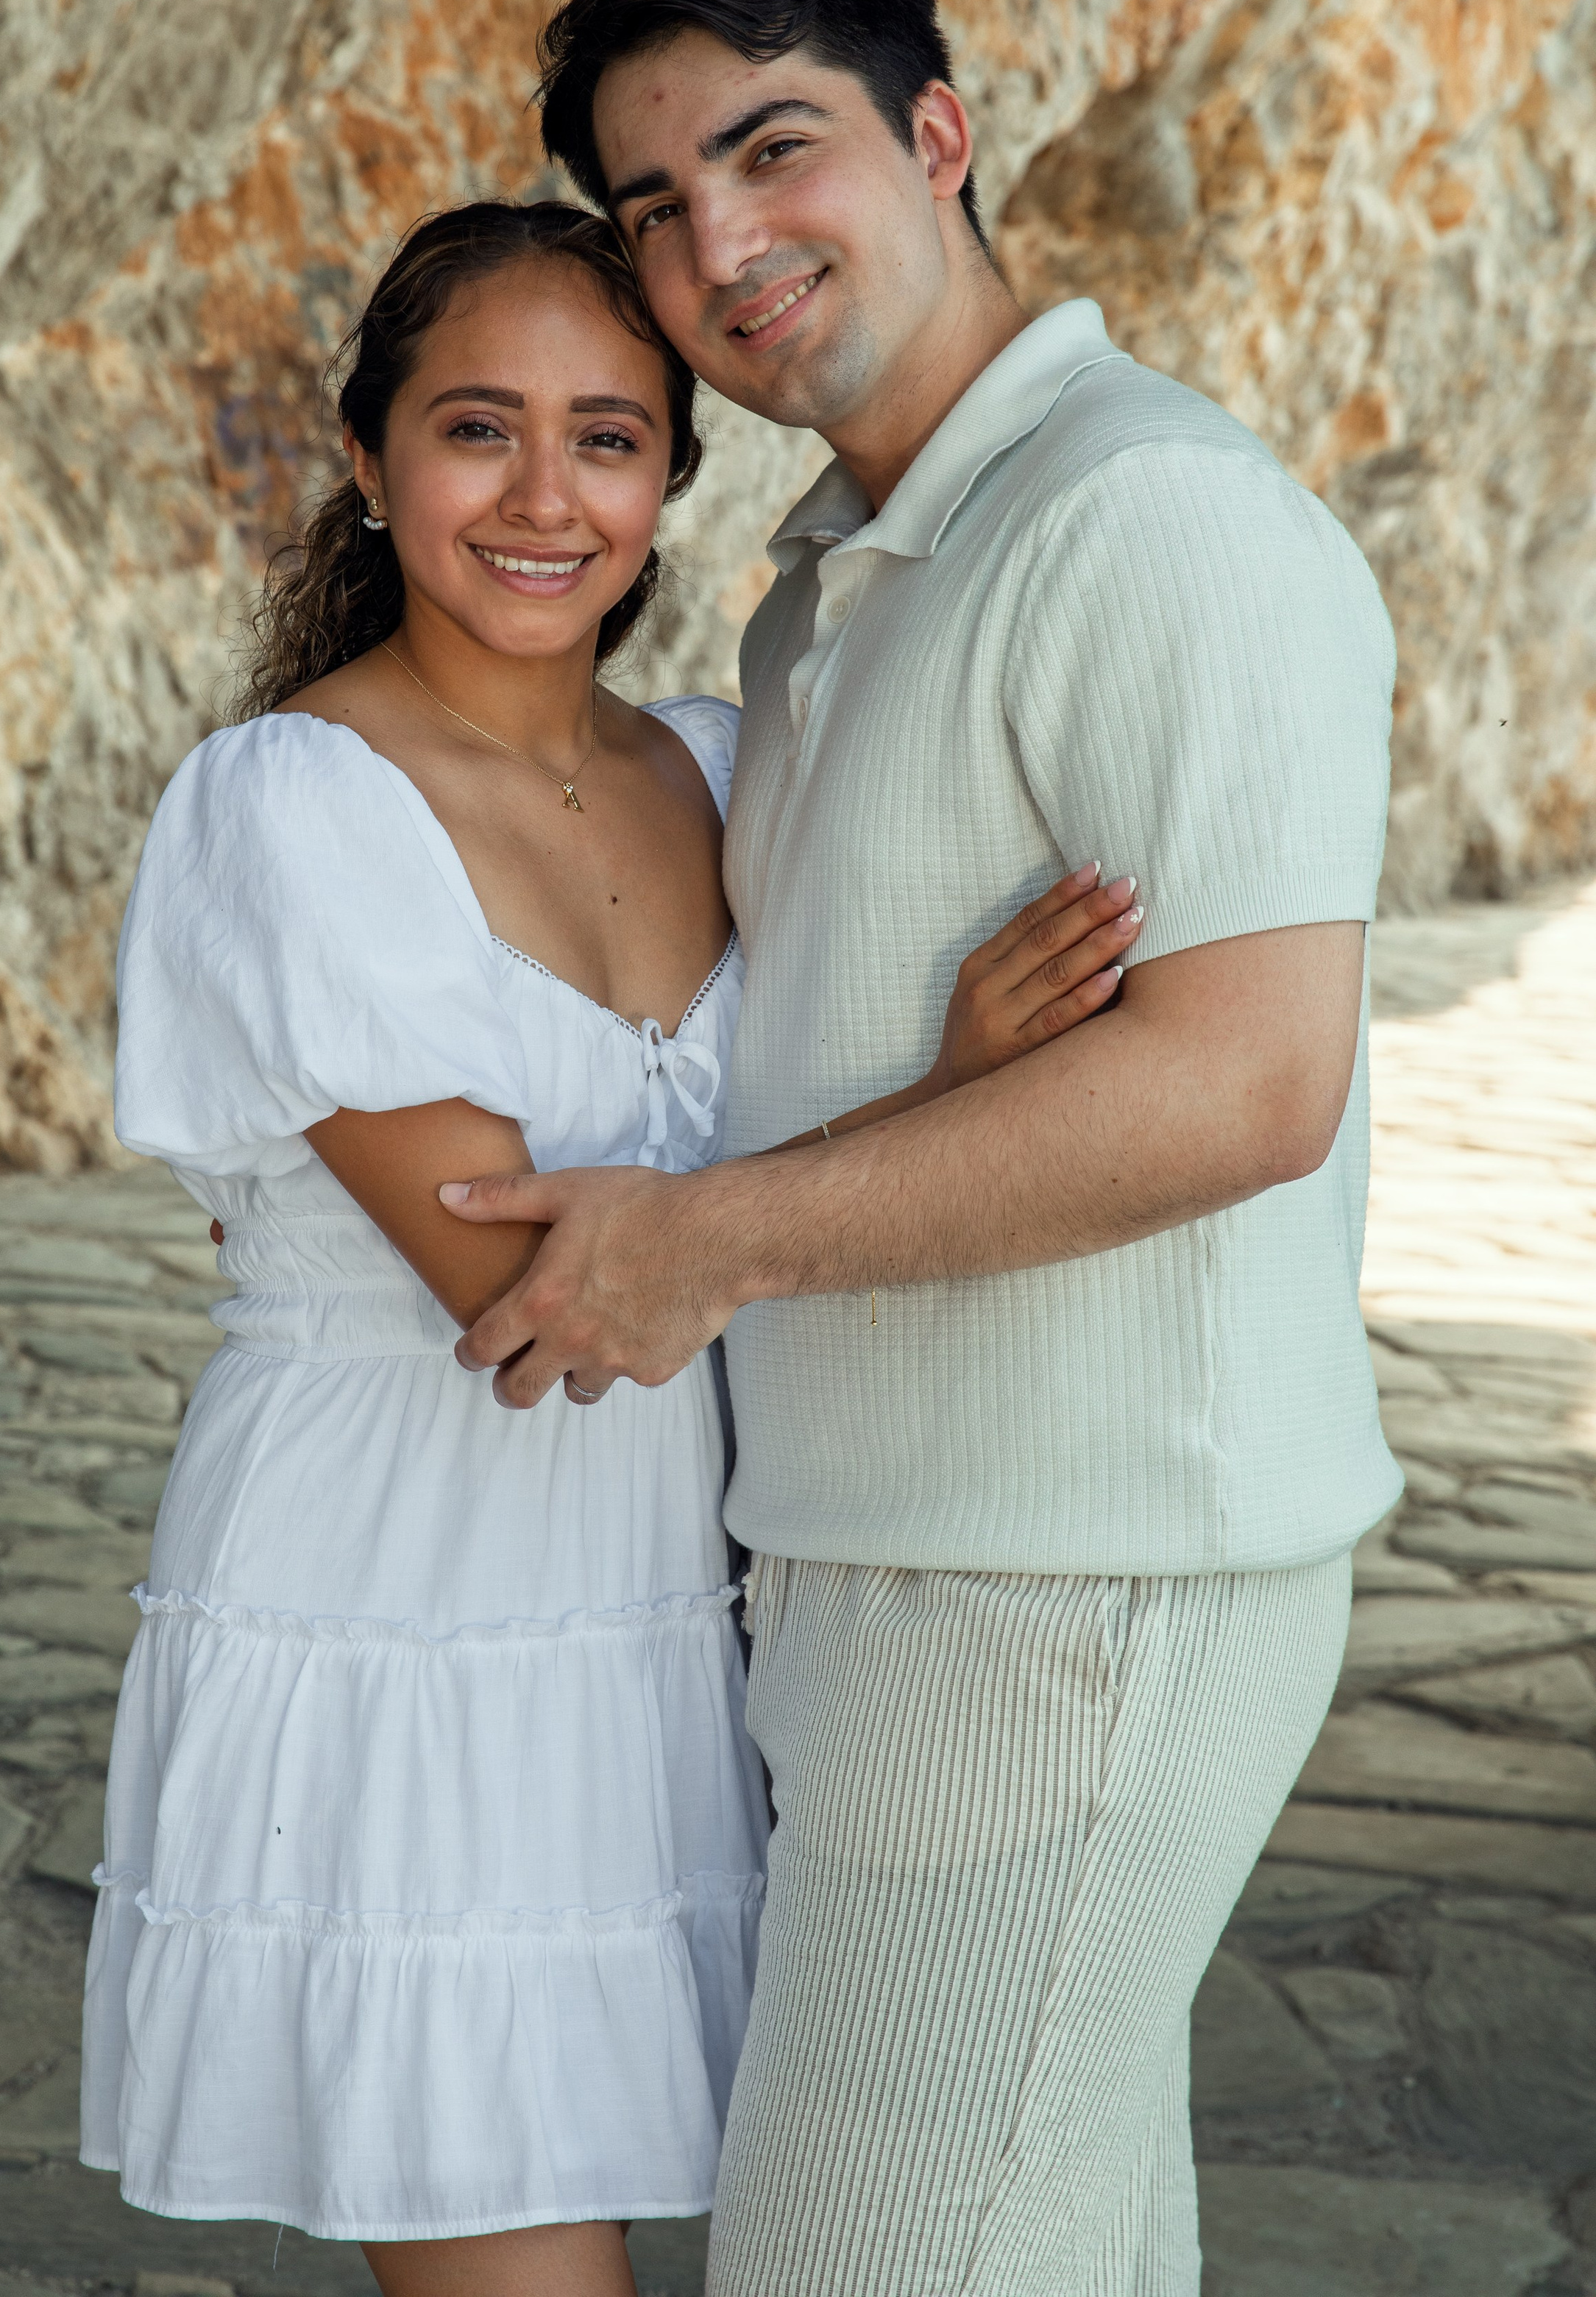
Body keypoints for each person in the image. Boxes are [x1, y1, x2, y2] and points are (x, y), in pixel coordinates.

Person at [441, 0, 1403, 2296]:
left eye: (774, 152)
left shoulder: (1145, 516)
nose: (718, 245)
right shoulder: (827, 587)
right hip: (908, 1561)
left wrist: (709, 1240)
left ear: (941, 141)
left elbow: (1248, 1081)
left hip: (1072, 1585)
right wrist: (937, 1087)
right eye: (652, 207)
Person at [79, 197, 1143, 2297]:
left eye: (611, 438)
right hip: (411, 1603)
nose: (546, 498)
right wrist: (946, 1103)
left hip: (664, 1604)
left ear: (675, 479)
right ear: (374, 461)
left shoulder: (730, 769)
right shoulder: (290, 804)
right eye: (480, 431)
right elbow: (539, 1301)